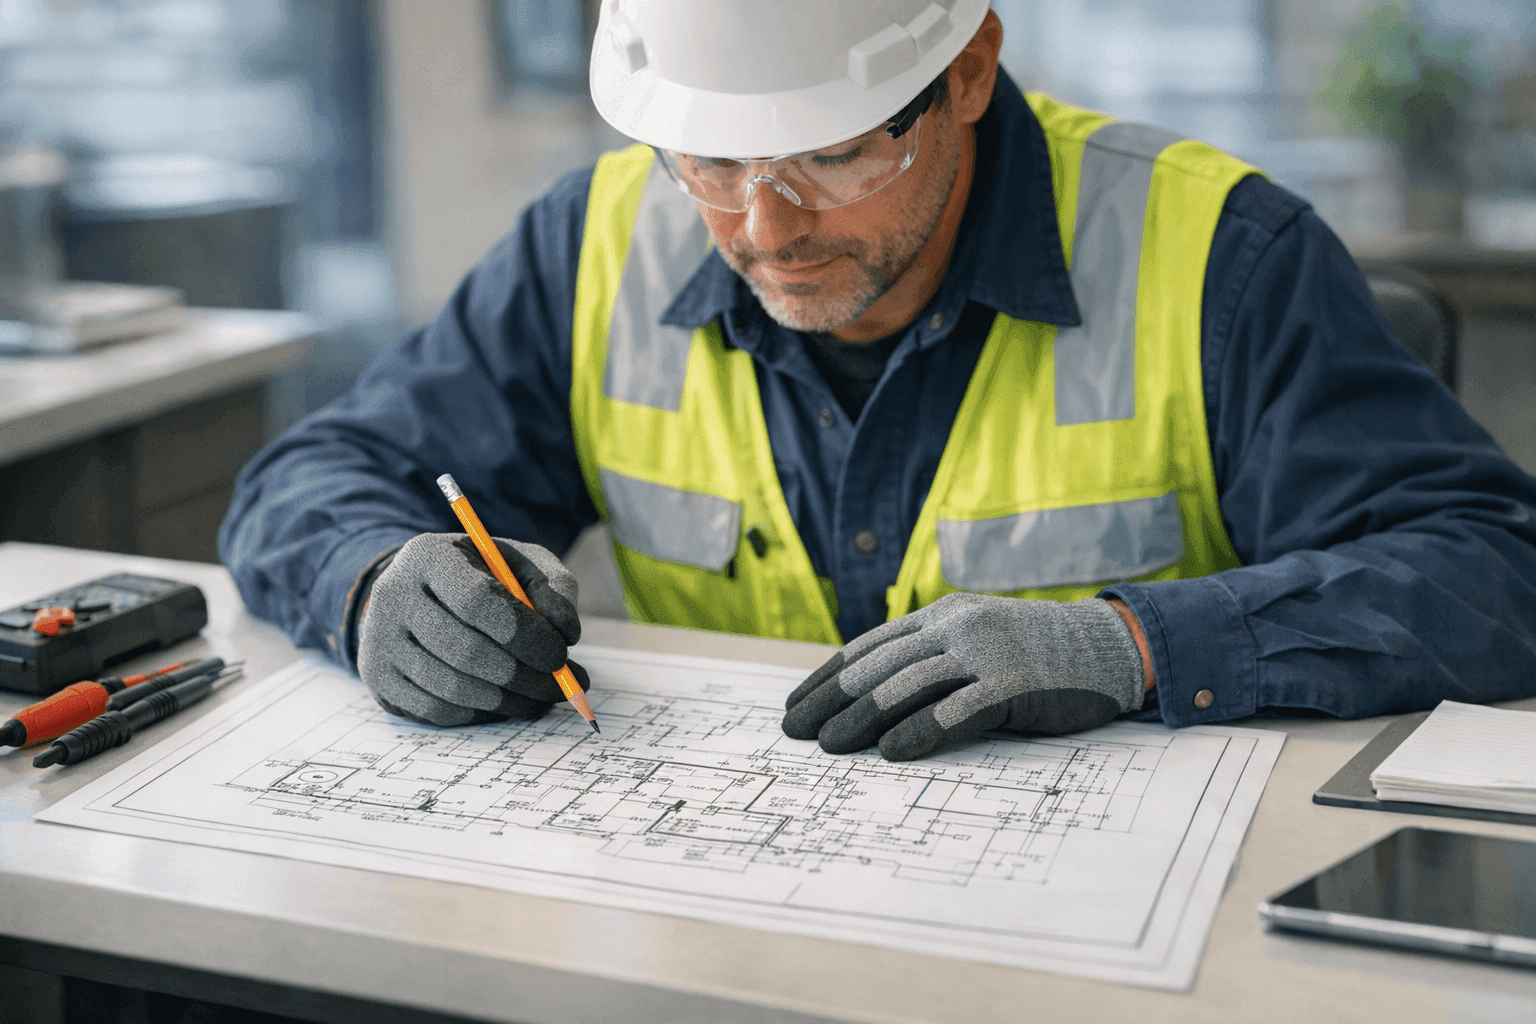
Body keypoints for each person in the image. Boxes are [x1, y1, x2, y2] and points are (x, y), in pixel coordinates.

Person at [221, 1, 1536, 762]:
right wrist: (372, 581)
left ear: (967, 72)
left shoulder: (1220, 256)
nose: (765, 227)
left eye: (835, 156)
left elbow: (1492, 568)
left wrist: (1133, 646)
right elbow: (314, 479)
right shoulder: (594, 240)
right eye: (711, 161)